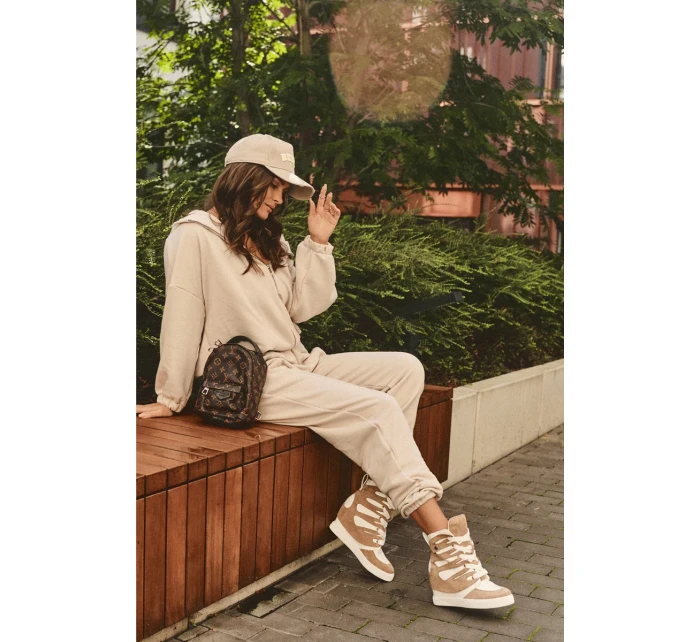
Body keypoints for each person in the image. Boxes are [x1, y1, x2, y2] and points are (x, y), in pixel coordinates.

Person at [135, 134, 513, 610]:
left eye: (283, 189)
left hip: (294, 361)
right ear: (245, 178)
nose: (279, 198)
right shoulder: (193, 235)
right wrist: (170, 397)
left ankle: (369, 507)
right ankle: (447, 553)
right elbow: (182, 313)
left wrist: (318, 243)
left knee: (405, 369)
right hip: (249, 379)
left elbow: (301, 308)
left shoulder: (269, 239)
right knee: (377, 409)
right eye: (274, 186)